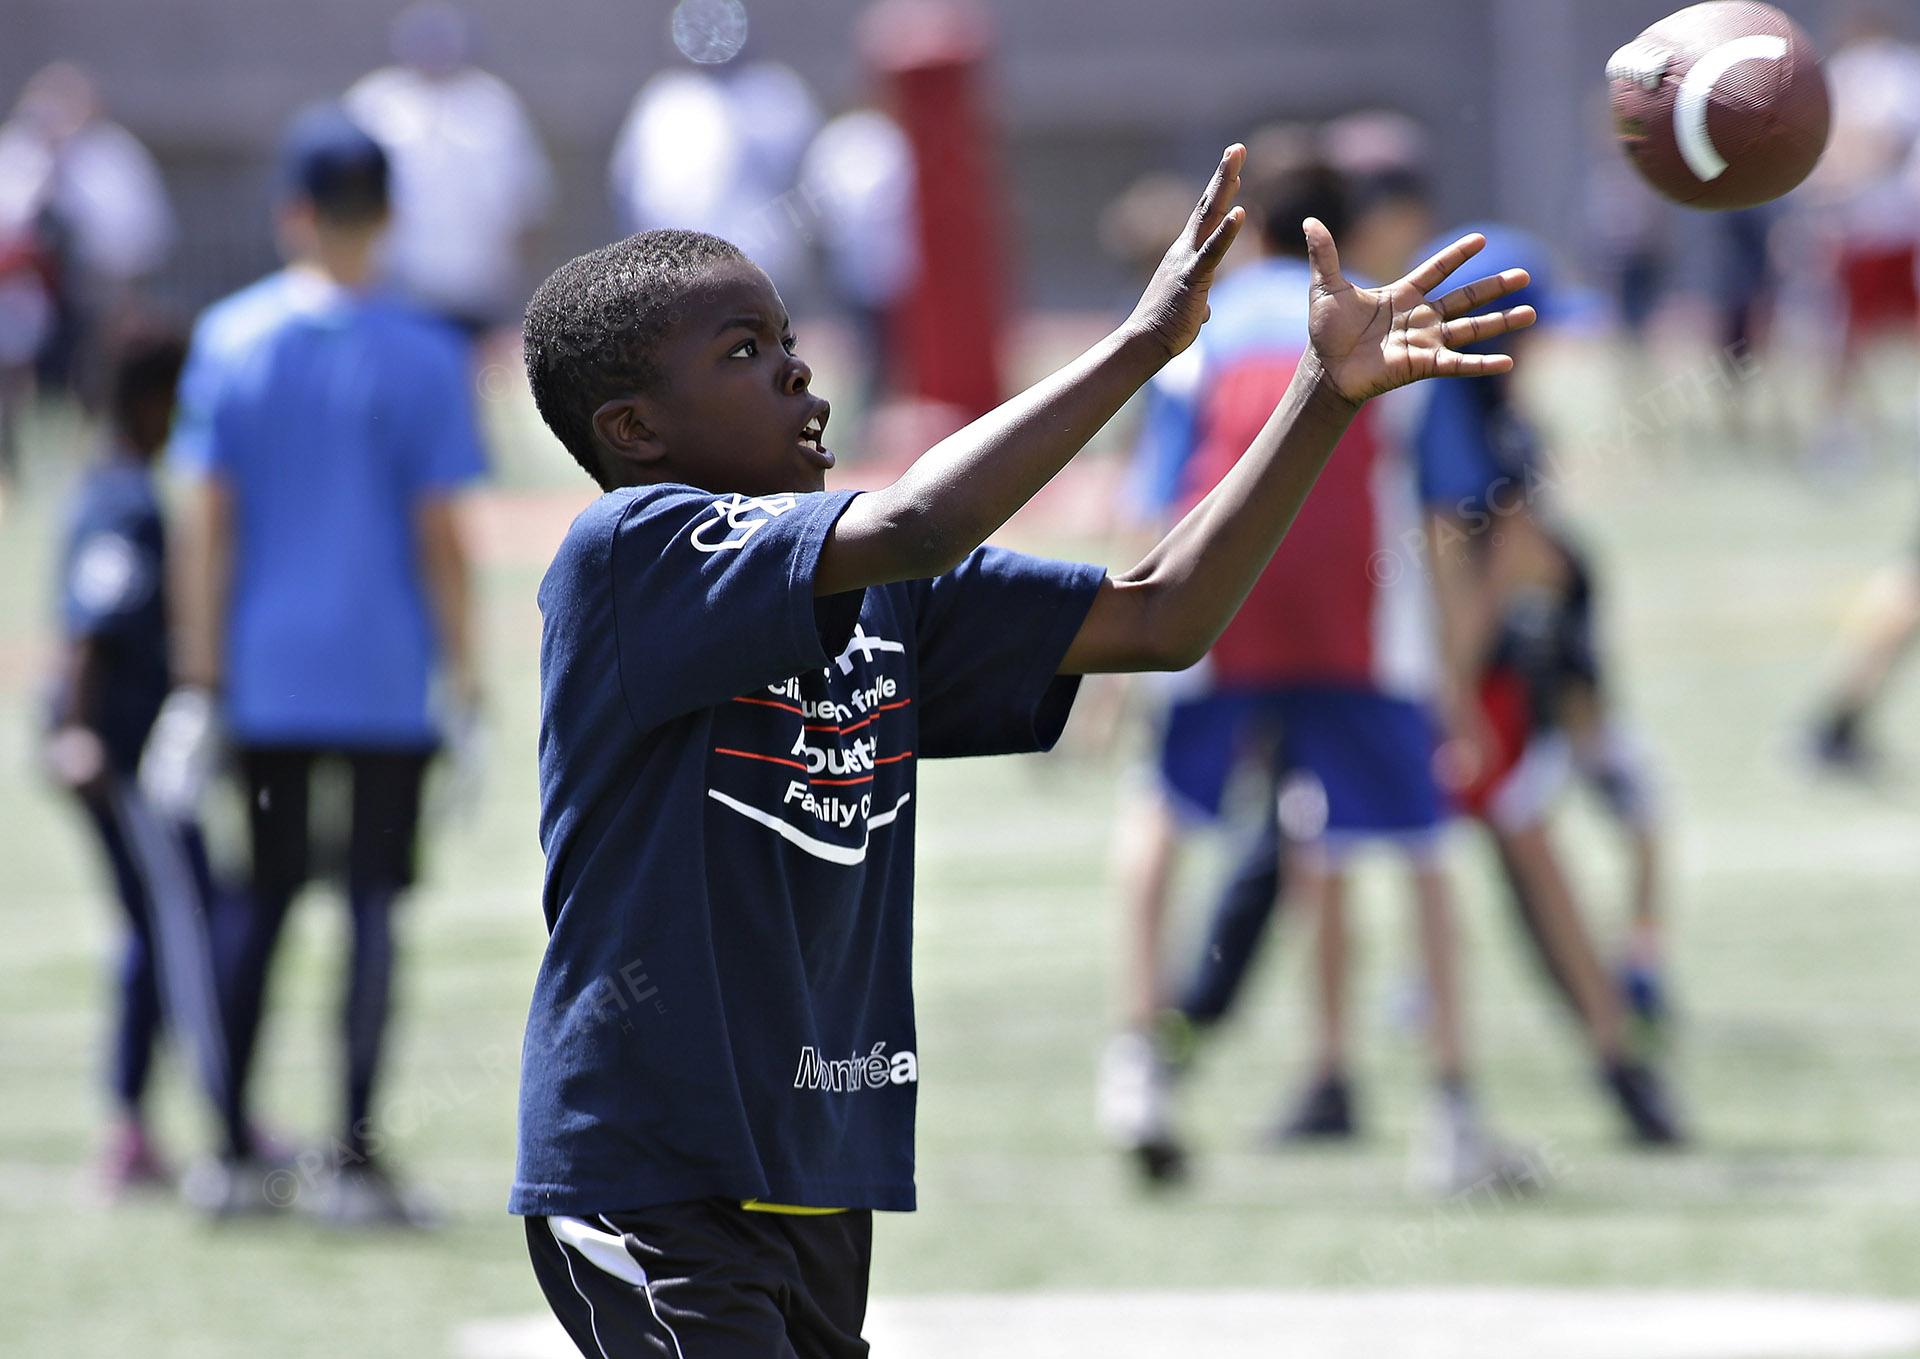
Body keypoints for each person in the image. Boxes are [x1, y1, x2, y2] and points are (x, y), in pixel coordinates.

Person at [512, 142, 1535, 1356]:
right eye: (744, 355)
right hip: (653, 1164)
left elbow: (1163, 614)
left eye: (789, 339)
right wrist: (1148, 342)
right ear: (633, 429)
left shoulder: (880, 587)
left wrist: (1326, 396)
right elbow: (923, 518)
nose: (801, 378)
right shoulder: (632, 553)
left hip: (814, 1165)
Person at [1100, 146, 1531, 1198]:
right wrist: (1455, 677)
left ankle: (1137, 1064)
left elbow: (1157, 504)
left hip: (1216, 600)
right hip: (1358, 618)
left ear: (1253, 234)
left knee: (1163, 815)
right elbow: (1444, 522)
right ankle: (1452, 1112)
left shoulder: (1197, 341)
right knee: (1423, 852)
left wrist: (1119, 662)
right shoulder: (1388, 329)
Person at [143, 105, 484, 1223]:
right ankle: (353, 1160)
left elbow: (209, 526)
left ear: (294, 212)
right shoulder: (426, 352)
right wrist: (469, 686)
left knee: (267, 897)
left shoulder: (234, 341)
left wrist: (198, 681)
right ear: (386, 215)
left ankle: (232, 1151)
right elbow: (442, 539)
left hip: (268, 675)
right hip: (385, 676)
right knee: (375, 908)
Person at [41, 323, 228, 1197]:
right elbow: (93, 622)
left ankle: (136, 1126)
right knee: (189, 920)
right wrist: (77, 728)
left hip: (121, 747)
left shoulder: (112, 485)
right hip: (120, 749)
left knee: (155, 927)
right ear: (155, 400)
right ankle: (217, 1115)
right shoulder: (125, 501)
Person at [344, 2, 554, 339]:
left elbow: (526, 204)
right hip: (396, 292)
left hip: (478, 292)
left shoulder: (493, 104)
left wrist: (515, 286)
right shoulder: (375, 103)